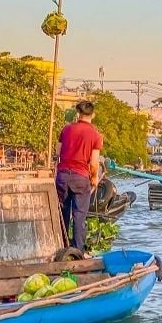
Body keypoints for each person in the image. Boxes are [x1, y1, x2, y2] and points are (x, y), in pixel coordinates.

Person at [56, 101, 103, 253]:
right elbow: (94, 163)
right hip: (81, 177)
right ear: (93, 115)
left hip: (62, 175)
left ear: (78, 114)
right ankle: (77, 252)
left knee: (62, 213)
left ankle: (61, 247)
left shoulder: (66, 129)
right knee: (79, 216)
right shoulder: (95, 135)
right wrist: (95, 177)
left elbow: (58, 153)